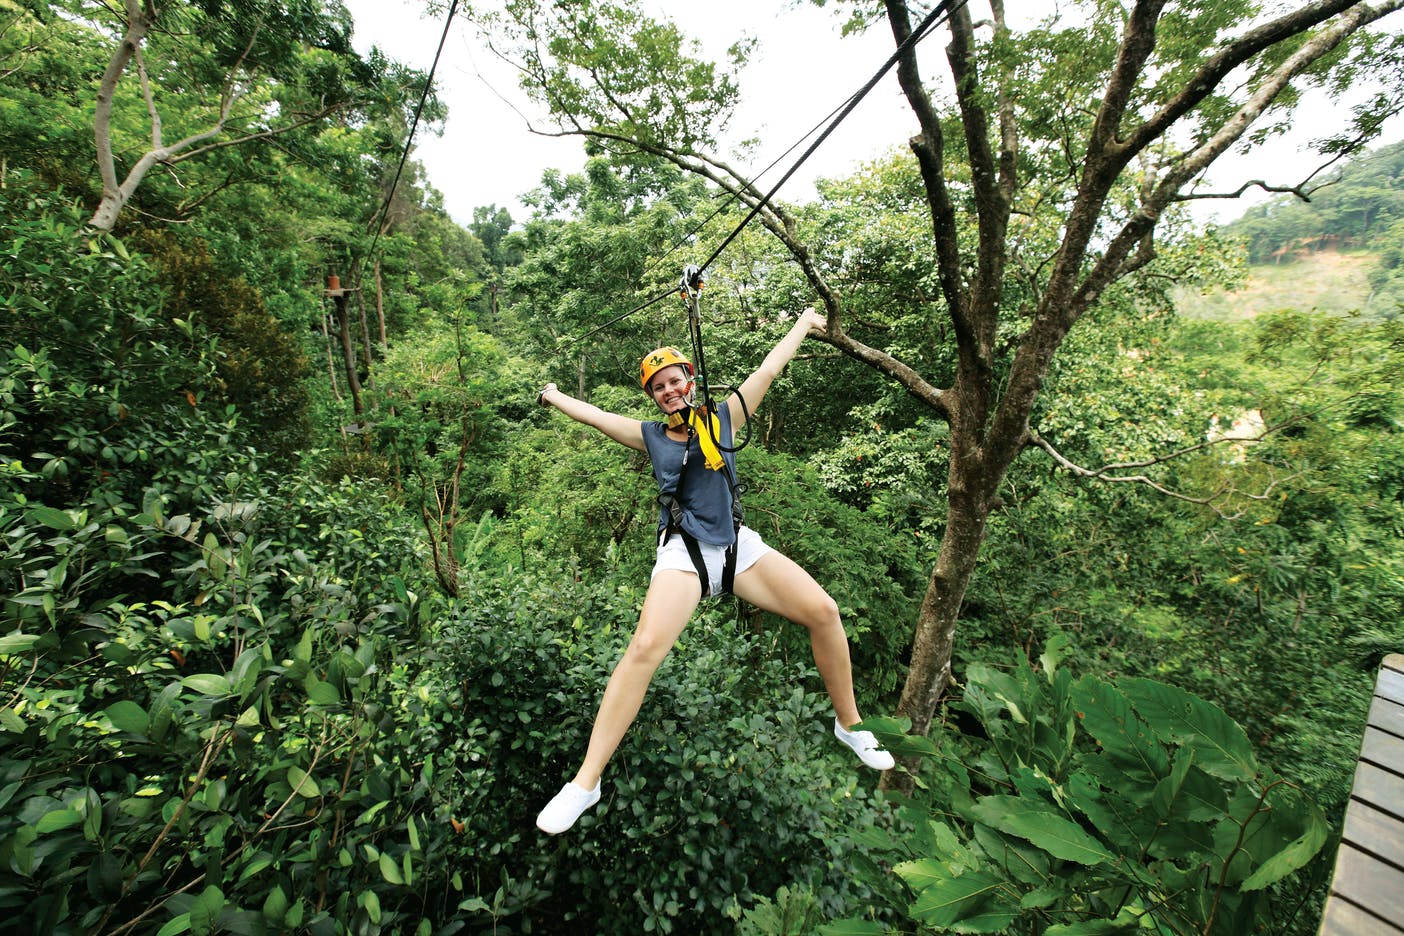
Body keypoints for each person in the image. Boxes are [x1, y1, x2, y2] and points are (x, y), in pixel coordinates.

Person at [533, 309, 893, 836]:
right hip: (684, 552)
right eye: (658, 387)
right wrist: (552, 395)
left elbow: (769, 369)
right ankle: (585, 783)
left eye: (675, 380)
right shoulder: (651, 436)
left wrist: (804, 323)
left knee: (824, 611)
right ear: (653, 397)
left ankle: (850, 724)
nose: (668, 391)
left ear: (690, 381)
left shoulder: (723, 418)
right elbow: (593, 415)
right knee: (643, 649)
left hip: (738, 547)